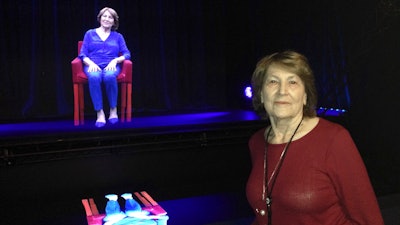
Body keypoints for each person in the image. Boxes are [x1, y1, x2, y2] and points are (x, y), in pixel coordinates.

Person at [246, 50, 384, 225]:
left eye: (293, 82)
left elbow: (369, 220)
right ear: (260, 94)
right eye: (273, 81)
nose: (282, 91)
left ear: (305, 96)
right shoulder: (257, 143)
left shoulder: (334, 139)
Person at [79, 7, 131, 127]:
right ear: (100, 18)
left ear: (114, 21)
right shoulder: (90, 33)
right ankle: (100, 112)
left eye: (110, 17)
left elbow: (127, 54)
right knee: (94, 77)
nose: (107, 19)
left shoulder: (118, 36)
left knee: (109, 77)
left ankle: (113, 109)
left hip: (110, 64)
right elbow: (82, 54)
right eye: (105, 16)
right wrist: (91, 64)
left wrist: (115, 60)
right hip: (93, 64)